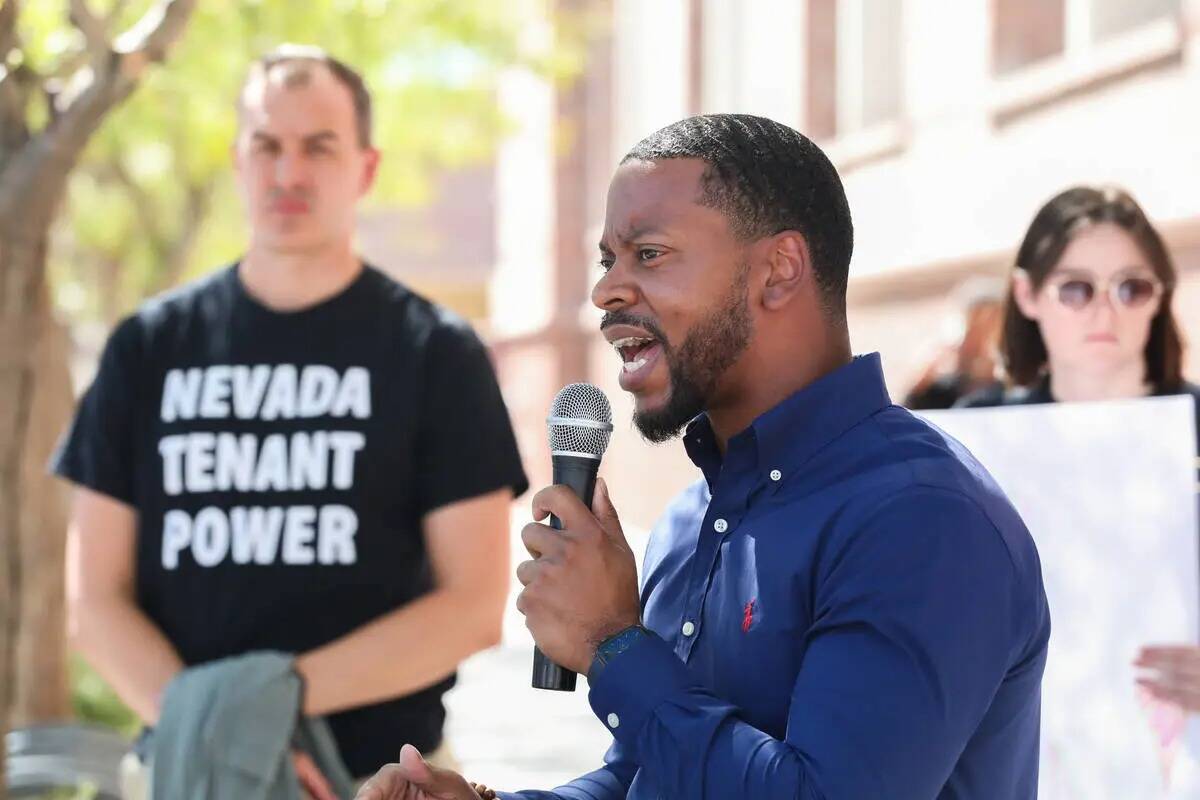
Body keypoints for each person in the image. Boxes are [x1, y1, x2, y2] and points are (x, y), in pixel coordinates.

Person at [357, 114, 1050, 800]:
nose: (606, 291)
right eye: (608, 261)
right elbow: (652, 775)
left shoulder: (920, 517)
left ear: (778, 271)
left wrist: (613, 644)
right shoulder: (694, 518)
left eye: (649, 254)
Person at [53, 45, 528, 796]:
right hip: (185, 767)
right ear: (239, 160)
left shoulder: (435, 352)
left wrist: (261, 714)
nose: (288, 173)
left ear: (365, 170)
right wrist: (221, 734)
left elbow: (472, 606)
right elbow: (93, 599)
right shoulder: (147, 348)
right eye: (267, 145)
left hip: (384, 777)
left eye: (318, 147)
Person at [954, 186, 1200, 715]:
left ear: (1160, 295)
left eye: (1131, 287)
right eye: (1075, 289)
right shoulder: (973, 442)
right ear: (1027, 295)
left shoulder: (1193, 428)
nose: (1105, 312)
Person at [904, 277, 1005, 410]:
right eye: (976, 322)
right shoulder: (938, 384)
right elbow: (909, 407)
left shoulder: (1007, 383)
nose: (980, 332)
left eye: (991, 321)